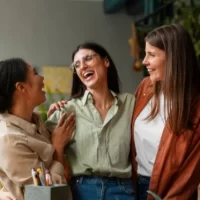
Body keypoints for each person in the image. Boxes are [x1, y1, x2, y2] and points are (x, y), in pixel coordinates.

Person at [46, 42, 136, 200]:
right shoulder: (67, 110)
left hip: (122, 192)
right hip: (82, 191)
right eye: (77, 65)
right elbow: (38, 143)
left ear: (106, 62)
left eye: (88, 59)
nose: (82, 67)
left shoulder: (130, 103)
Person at [131, 24, 200, 200]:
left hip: (170, 192)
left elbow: (191, 170)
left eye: (152, 55)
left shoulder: (195, 104)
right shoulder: (145, 87)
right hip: (135, 186)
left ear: (173, 58)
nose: (144, 61)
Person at [0, 58, 75, 200]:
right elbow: (43, 196)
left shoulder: (36, 122)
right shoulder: (9, 140)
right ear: (21, 87)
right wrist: (58, 148)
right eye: (35, 73)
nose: (42, 78)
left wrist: (51, 122)